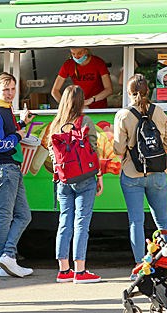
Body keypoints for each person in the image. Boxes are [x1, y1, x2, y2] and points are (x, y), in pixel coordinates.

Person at [113, 74, 167, 280]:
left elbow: (118, 149)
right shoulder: (159, 112)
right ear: (149, 91)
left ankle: (141, 267)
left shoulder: (123, 115)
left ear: (128, 93)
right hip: (158, 173)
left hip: (132, 173)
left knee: (136, 221)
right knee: (163, 218)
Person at [48, 85, 104, 284]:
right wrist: (99, 176)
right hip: (85, 179)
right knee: (81, 223)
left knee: (64, 222)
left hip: (62, 180)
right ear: (81, 102)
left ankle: (63, 270)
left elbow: (51, 154)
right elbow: (93, 150)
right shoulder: (85, 121)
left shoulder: (55, 124)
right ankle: (80, 271)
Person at [0, 72, 34, 278]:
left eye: (13, 89)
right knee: (5, 216)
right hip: (4, 168)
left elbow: (7, 132)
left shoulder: (5, 109)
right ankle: (6, 259)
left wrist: (22, 123)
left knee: (24, 215)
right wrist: (17, 135)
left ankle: (7, 259)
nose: (10, 93)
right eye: (6, 89)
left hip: (11, 168)